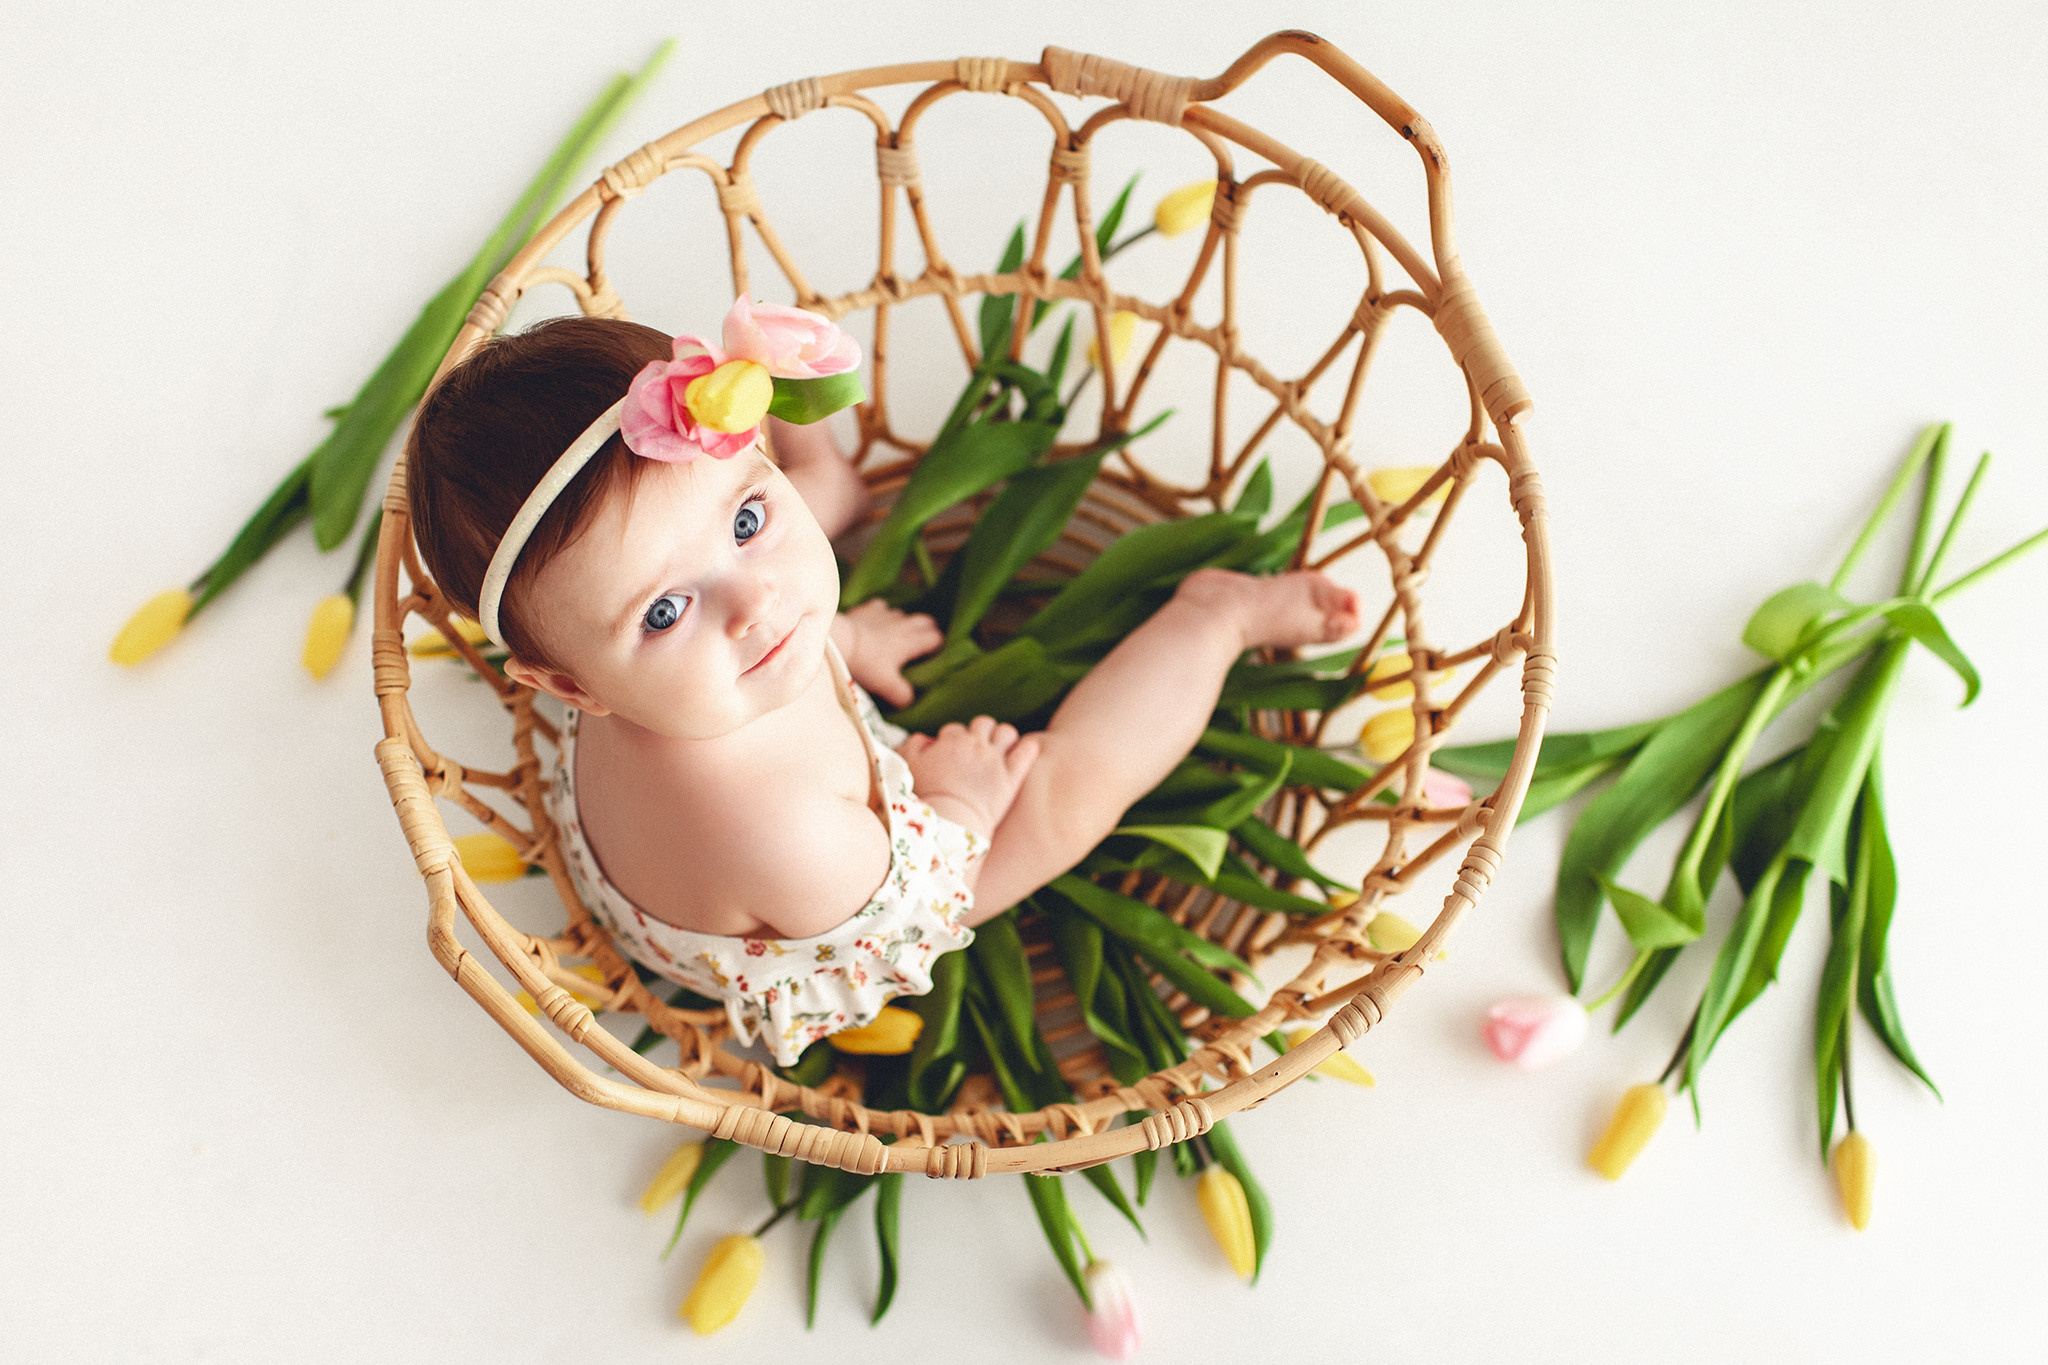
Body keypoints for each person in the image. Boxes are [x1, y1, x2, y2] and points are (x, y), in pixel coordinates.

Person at [406, 300, 1360, 1063]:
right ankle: (1215, 617)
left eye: (746, 515)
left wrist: (844, 640)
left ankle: (827, 481)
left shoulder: (700, 660)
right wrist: (961, 804)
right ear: (568, 688)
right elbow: (908, 898)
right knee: (1065, 794)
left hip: (757, 758)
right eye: (662, 612)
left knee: (768, 567)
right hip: (843, 906)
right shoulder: (767, 823)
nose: (754, 604)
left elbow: (734, 594)